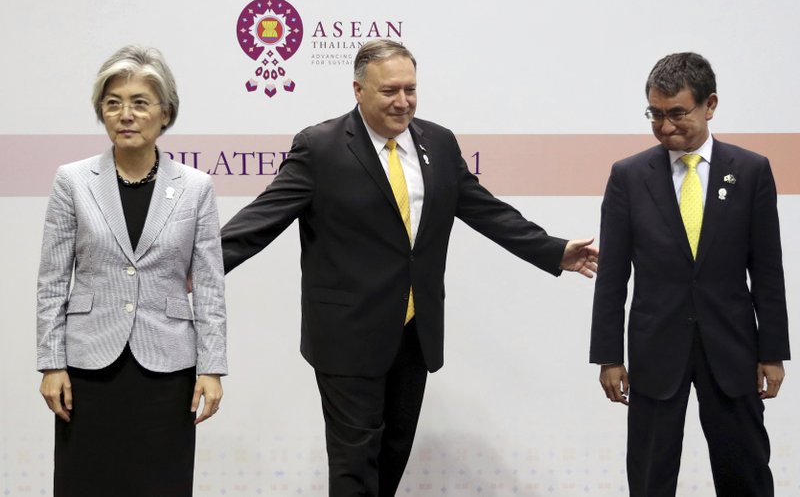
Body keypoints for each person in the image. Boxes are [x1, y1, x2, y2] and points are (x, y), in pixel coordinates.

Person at [221, 39, 598, 497]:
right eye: (389, 91)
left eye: (411, 89)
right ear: (358, 90)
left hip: (414, 330)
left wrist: (553, 251)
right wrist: (201, 265)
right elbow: (263, 217)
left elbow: (485, 210)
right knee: (354, 461)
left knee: (393, 452)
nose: (403, 102)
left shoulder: (437, 142)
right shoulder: (320, 147)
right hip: (347, 332)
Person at [590, 52, 790, 496]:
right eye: (655, 115)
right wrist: (608, 356)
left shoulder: (752, 170)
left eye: (677, 113)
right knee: (650, 477)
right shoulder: (628, 176)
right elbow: (612, 276)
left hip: (733, 350)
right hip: (655, 350)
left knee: (747, 475)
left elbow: (768, 270)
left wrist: (773, 352)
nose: (665, 127)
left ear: (710, 105)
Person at [36, 45, 227, 497]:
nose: (125, 114)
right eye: (113, 103)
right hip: (88, 367)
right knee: (87, 482)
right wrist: (50, 362)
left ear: (165, 113)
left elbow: (210, 284)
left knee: (161, 482)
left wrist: (213, 367)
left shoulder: (196, 188)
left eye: (140, 102)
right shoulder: (73, 181)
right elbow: (51, 280)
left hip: (168, 366)